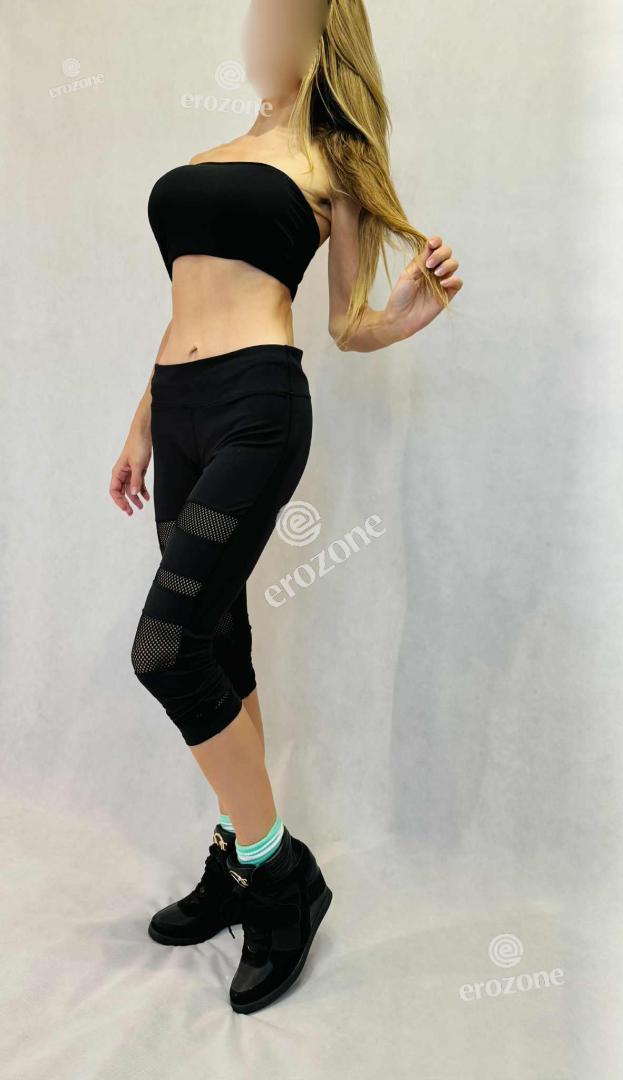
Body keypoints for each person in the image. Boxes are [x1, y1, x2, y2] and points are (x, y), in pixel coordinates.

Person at [109, 0, 462, 1015]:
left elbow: (345, 323)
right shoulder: (213, 151)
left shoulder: (332, 160)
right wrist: (140, 423)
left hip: (256, 406)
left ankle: (278, 872)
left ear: (315, 33)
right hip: (178, 404)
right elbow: (183, 304)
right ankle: (235, 857)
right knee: (216, 639)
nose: (254, 31)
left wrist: (406, 315)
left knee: (164, 650)